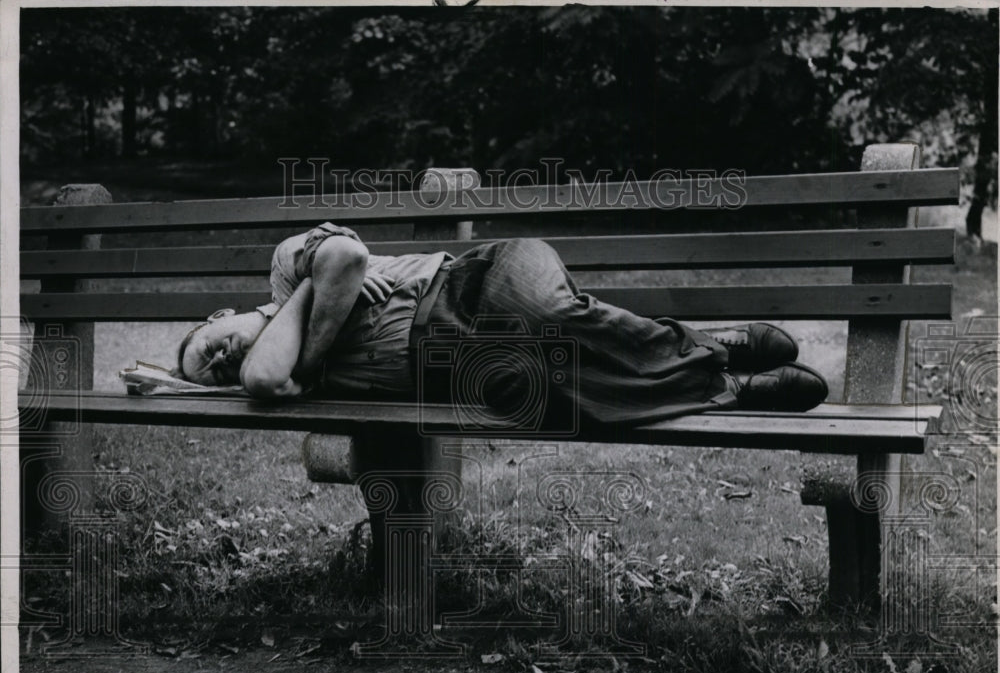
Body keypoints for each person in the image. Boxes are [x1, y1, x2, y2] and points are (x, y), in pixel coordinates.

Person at [174, 222, 827, 426]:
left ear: (217, 316)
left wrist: (308, 299)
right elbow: (260, 376)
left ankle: (717, 346)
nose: (219, 359)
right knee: (565, 398)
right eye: (209, 372)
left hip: (478, 282)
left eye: (209, 346)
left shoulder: (288, 269)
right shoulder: (275, 364)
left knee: (547, 314)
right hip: (458, 365)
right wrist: (304, 322)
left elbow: (343, 256)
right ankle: (728, 390)